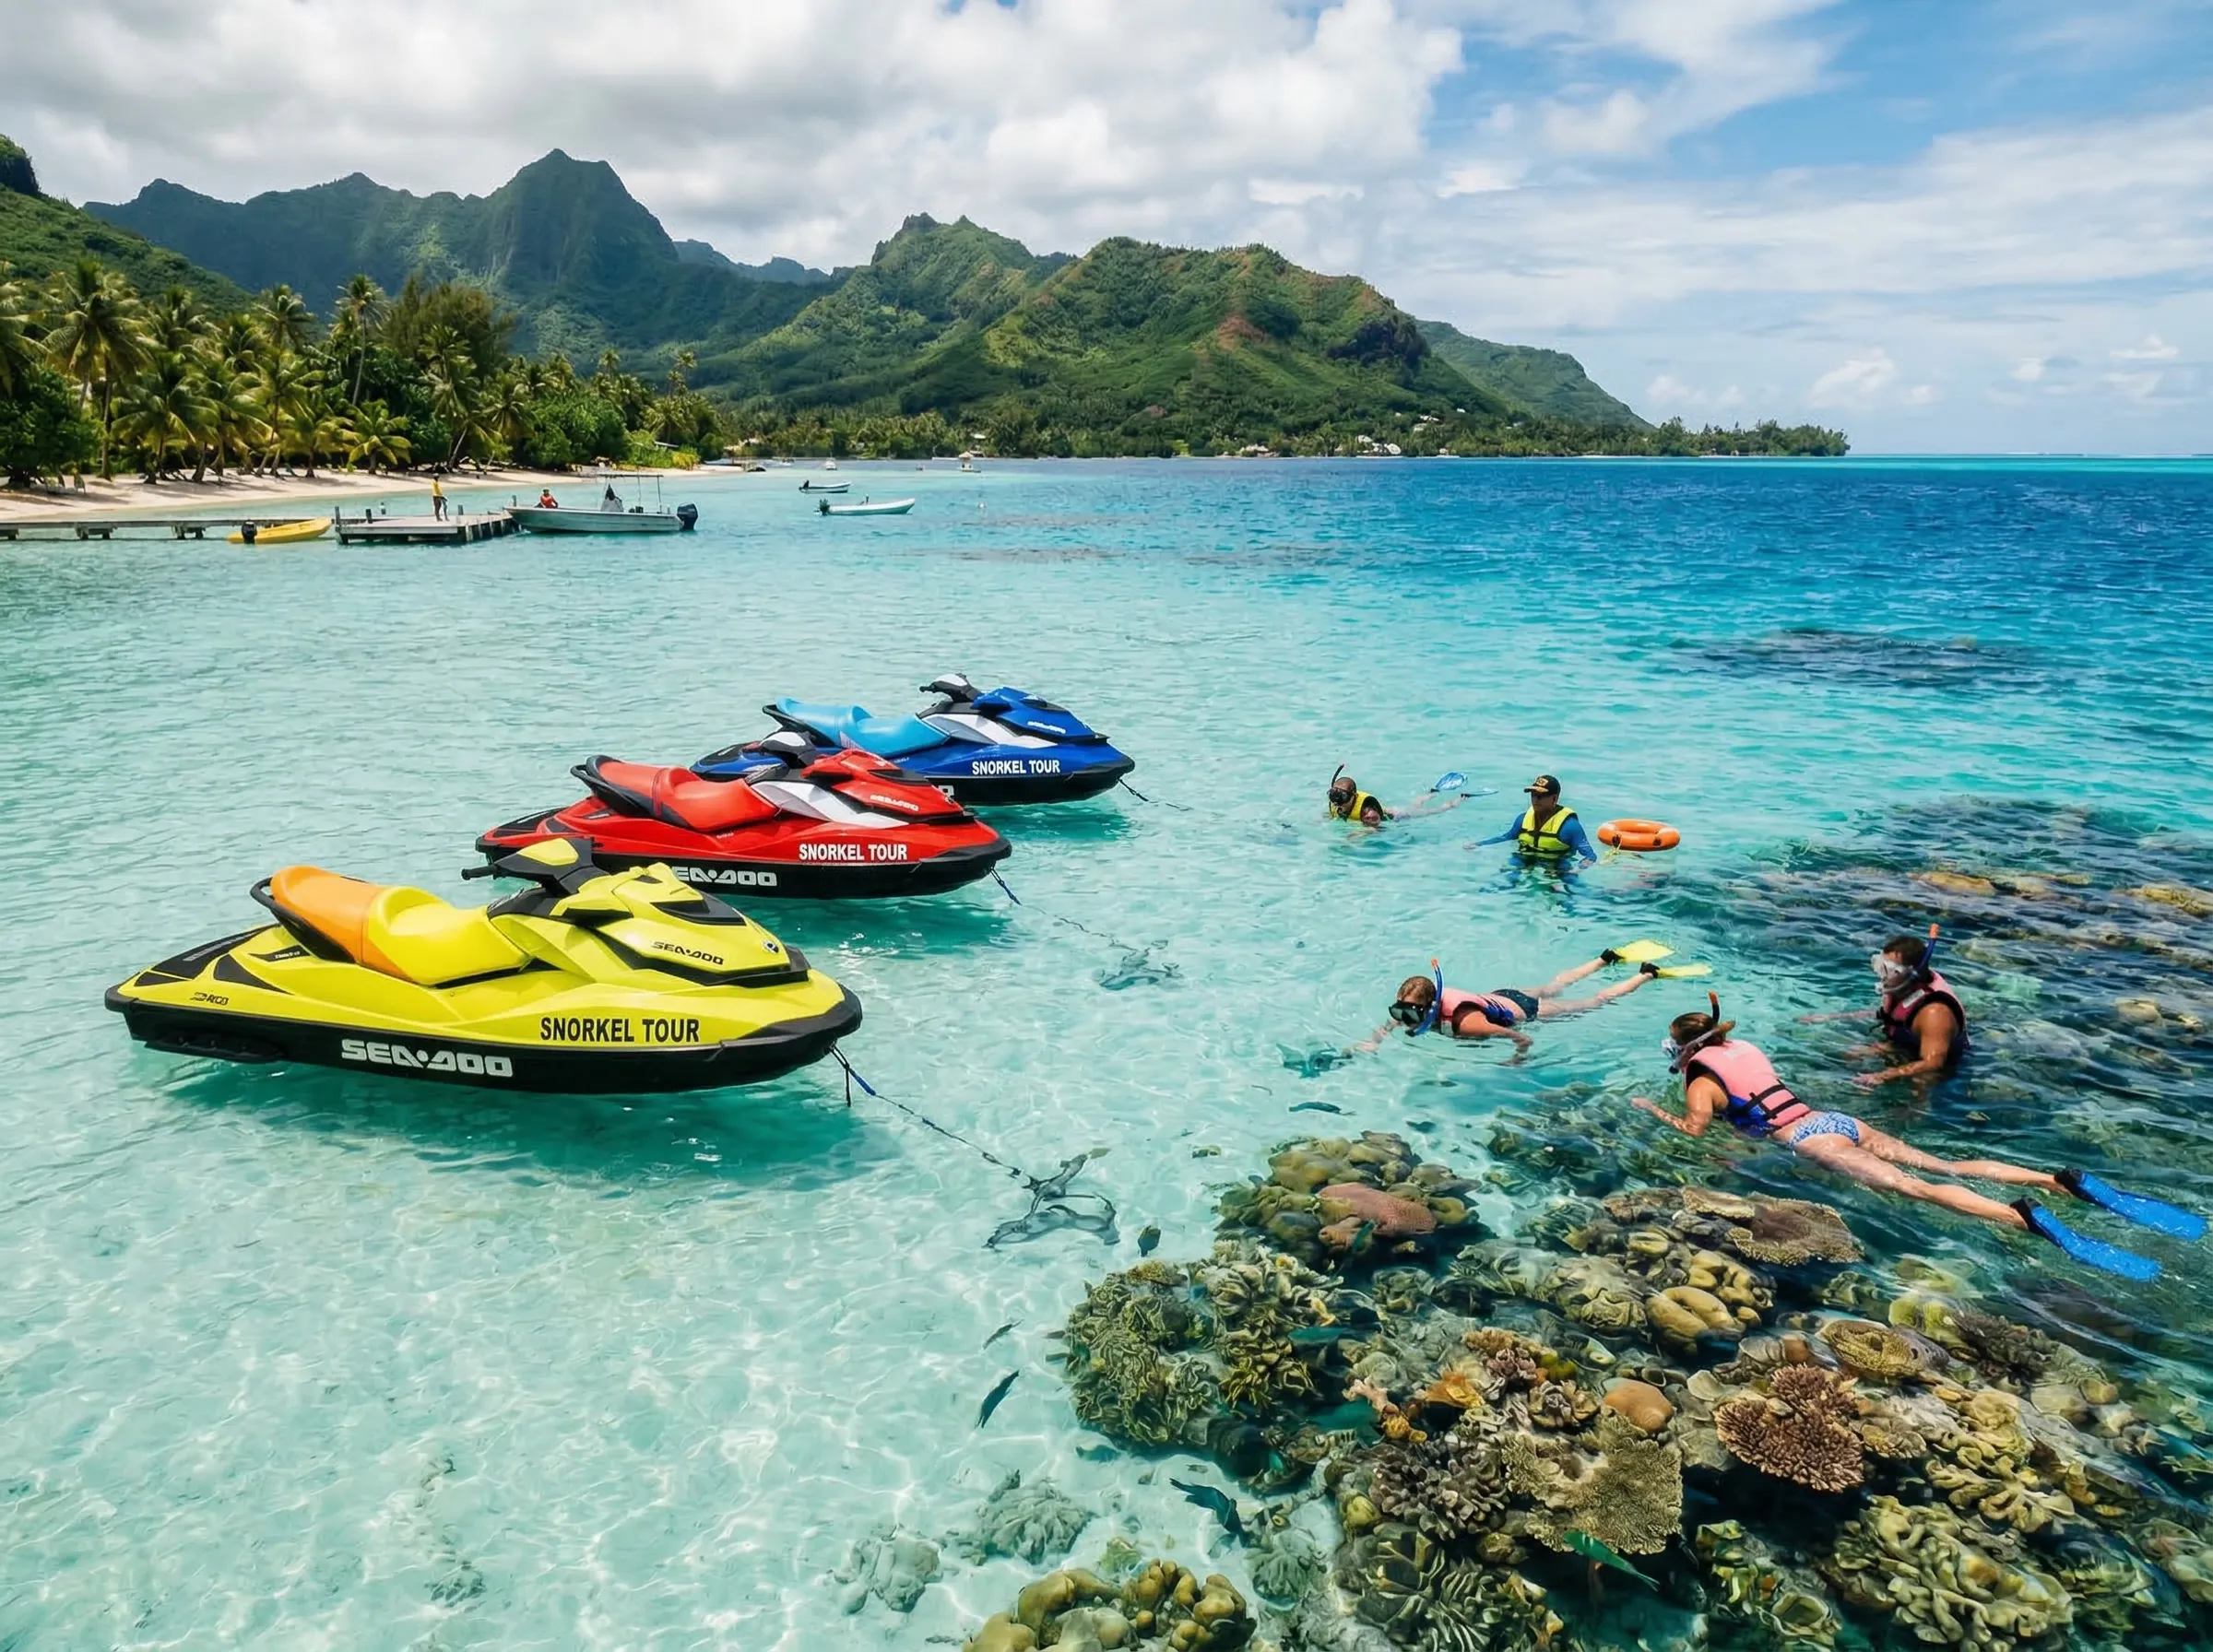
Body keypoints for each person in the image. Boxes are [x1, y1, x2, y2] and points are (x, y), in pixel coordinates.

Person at [1630, 997, 2195, 1280]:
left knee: (1917, 1189)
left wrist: (1654, 1110)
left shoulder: (1700, 1075)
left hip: (1812, 1141)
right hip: (1837, 1120)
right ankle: (2058, 1179)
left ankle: (2024, 1218)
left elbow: (1695, 1130)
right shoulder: (1740, 1048)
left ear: (1683, 1049)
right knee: (1943, 1164)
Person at [1364, 953, 1662, 1055]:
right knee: (1555, 985)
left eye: (1408, 1012)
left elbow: (1522, 1037)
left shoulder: (1467, 1024)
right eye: (1398, 1010)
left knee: (1595, 1001)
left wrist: (1516, 1059)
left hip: (1527, 1012)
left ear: (1430, 1007)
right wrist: (1373, 1042)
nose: (1401, 1018)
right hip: (1502, 994)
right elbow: (1391, 1024)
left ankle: (1646, 975)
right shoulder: (1409, 1011)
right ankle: (1603, 959)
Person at [1473, 774, 1598, 864]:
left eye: (1541, 796)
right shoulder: (1522, 819)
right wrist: (1478, 844)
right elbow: (1506, 837)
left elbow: (1590, 856)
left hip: (1556, 863)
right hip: (1524, 858)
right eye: (1533, 795)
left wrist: (1576, 870)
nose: (1535, 800)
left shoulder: (1569, 826)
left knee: (1569, 889)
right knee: (1504, 881)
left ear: (1554, 798)